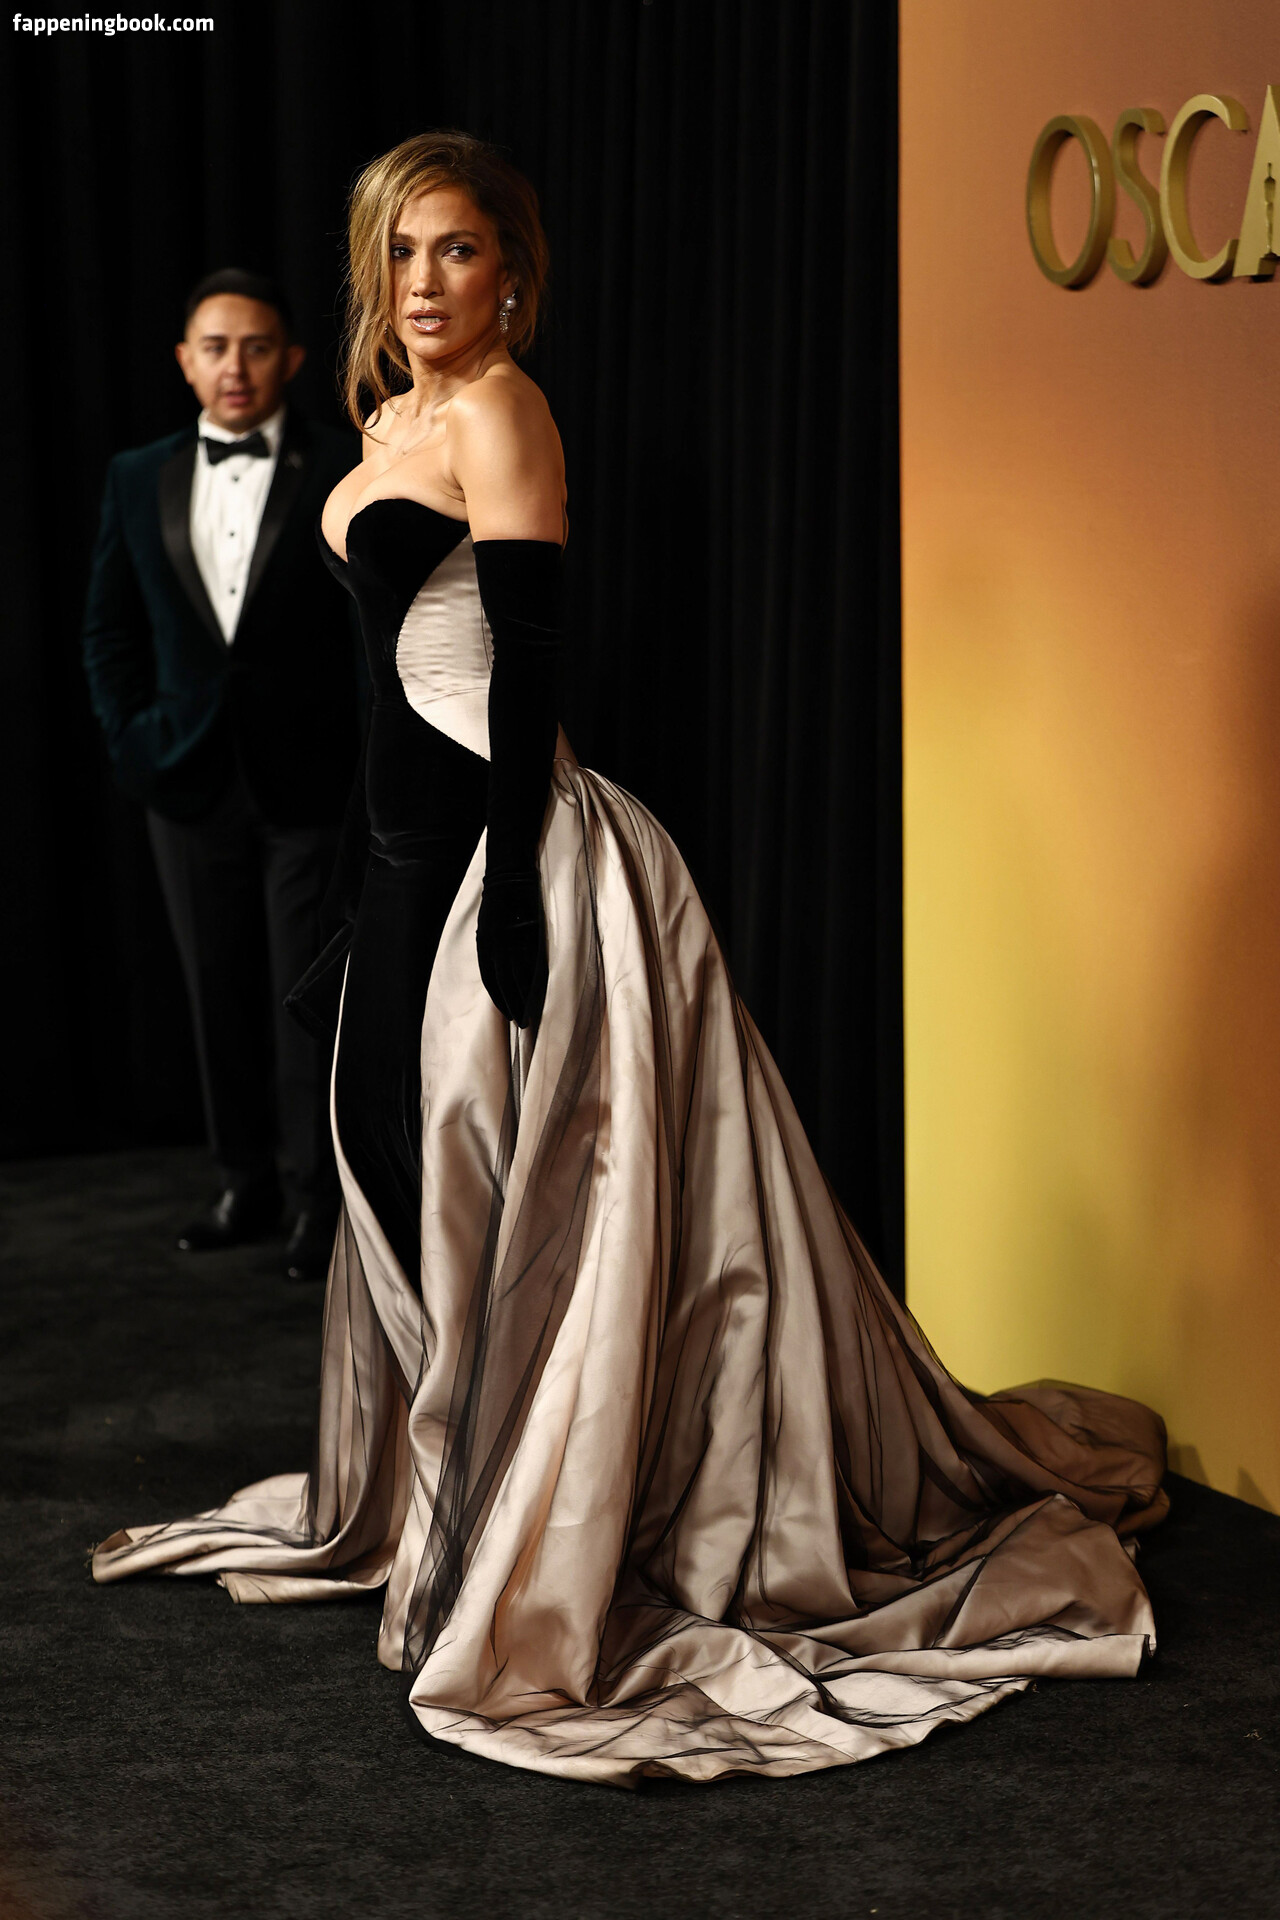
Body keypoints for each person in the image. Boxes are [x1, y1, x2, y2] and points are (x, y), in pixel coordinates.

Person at [93, 134, 1167, 1787]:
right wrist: (365, 868)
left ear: (512, 274)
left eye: (458, 251)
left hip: (504, 847)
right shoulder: (384, 422)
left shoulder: (505, 411)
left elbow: (529, 657)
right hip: (399, 861)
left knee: (512, 1195)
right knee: (396, 1172)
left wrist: (515, 887)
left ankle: (540, 1529)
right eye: (403, 251)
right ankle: (464, 1502)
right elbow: (380, 661)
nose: (427, 281)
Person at [82, 270, 362, 1280]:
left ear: (291, 359)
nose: (234, 366)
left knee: (305, 997)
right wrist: (133, 741)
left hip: (307, 784)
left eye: (255, 346)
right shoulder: (135, 475)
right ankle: (242, 1182)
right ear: (185, 361)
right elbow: (108, 629)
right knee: (215, 991)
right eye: (214, 347)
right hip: (185, 779)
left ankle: (317, 1201)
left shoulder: (344, 463)